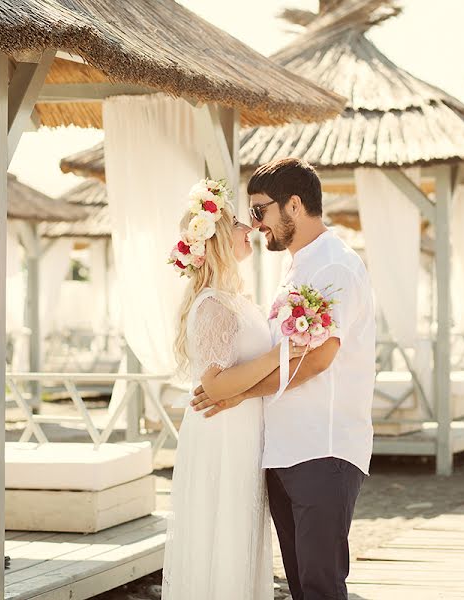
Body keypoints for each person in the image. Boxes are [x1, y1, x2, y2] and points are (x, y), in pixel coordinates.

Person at [192, 158, 377, 600]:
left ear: (294, 205)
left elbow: (317, 359)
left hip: (323, 448)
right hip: (284, 450)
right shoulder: (296, 268)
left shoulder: (335, 267)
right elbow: (280, 357)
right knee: (300, 585)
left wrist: (240, 394)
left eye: (260, 211)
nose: (254, 224)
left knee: (320, 585)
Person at [161, 179, 307, 600]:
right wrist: (282, 354)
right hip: (222, 435)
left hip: (243, 432)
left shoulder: (235, 299)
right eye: (241, 223)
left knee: (241, 533)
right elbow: (216, 383)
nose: (251, 230)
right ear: (220, 238)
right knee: (223, 533)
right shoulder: (212, 305)